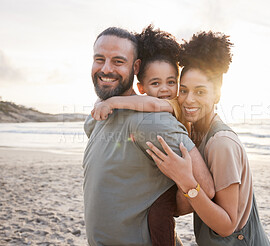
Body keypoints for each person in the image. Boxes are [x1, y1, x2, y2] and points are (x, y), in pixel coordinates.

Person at [83, 27, 215, 246]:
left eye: (117, 61)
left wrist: (164, 207)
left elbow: (206, 188)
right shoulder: (99, 116)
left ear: (135, 67)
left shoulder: (153, 122)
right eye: (99, 59)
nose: (106, 69)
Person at [144, 31, 270, 245]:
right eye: (183, 91)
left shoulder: (221, 143)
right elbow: (149, 103)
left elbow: (226, 226)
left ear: (217, 95)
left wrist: (187, 182)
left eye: (200, 92)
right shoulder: (194, 132)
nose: (188, 100)